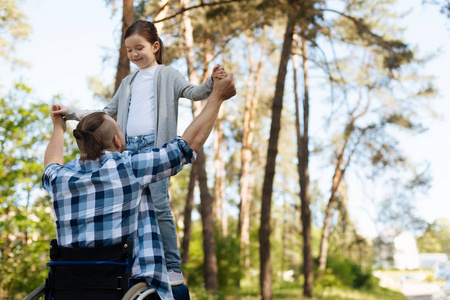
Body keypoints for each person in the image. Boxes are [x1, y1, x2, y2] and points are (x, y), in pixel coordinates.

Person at [52, 19, 226, 285]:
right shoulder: (128, 82)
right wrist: (72, 113)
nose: (134, 55)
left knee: (158, 205)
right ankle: (129, 261)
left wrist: (212, 81)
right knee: (129, 209)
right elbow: (104, 113)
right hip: (126, 150)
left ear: (155, 47)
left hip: (154, 149)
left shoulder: (168, 75)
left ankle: (172, 266)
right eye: (129, 50)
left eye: (139, 48)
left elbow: (195, 92)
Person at [42, 74, 236, 300]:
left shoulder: (60, 178)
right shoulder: (129, 167)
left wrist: (58, 127)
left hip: (71, 290)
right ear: (117, 141)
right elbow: (185, 147)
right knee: (180, 291)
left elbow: (51, 163)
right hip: (126, 288)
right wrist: (216, 99)